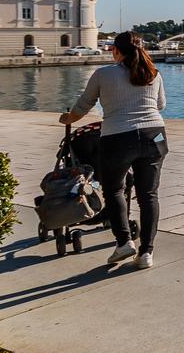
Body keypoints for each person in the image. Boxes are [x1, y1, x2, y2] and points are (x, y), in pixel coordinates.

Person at [60, 30, 167, 269]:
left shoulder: (103, 74)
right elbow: (160, 105)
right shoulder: (154, 73)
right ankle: (146, 253)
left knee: (114, 189)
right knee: (148, 195)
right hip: (155, 136)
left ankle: (124, 242)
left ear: (115, 50)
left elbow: (84, 105)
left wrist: (68, 118)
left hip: (118, 137)